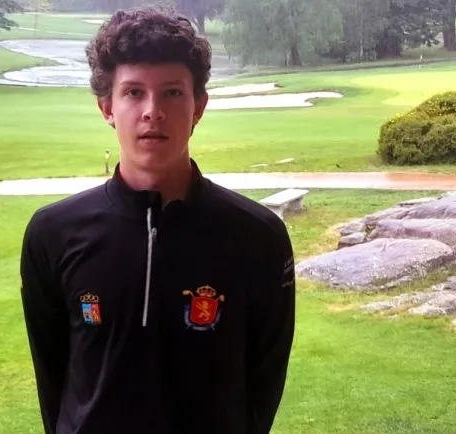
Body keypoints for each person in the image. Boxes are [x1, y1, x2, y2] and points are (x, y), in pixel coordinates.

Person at [20, 7, 296, 434]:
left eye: (172, 93)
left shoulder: (258, 236)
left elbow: (263, 386)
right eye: (134, 93)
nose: (153, 111)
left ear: (198, 106)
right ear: (107, 107)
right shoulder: (52, 234)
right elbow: (54, 381)